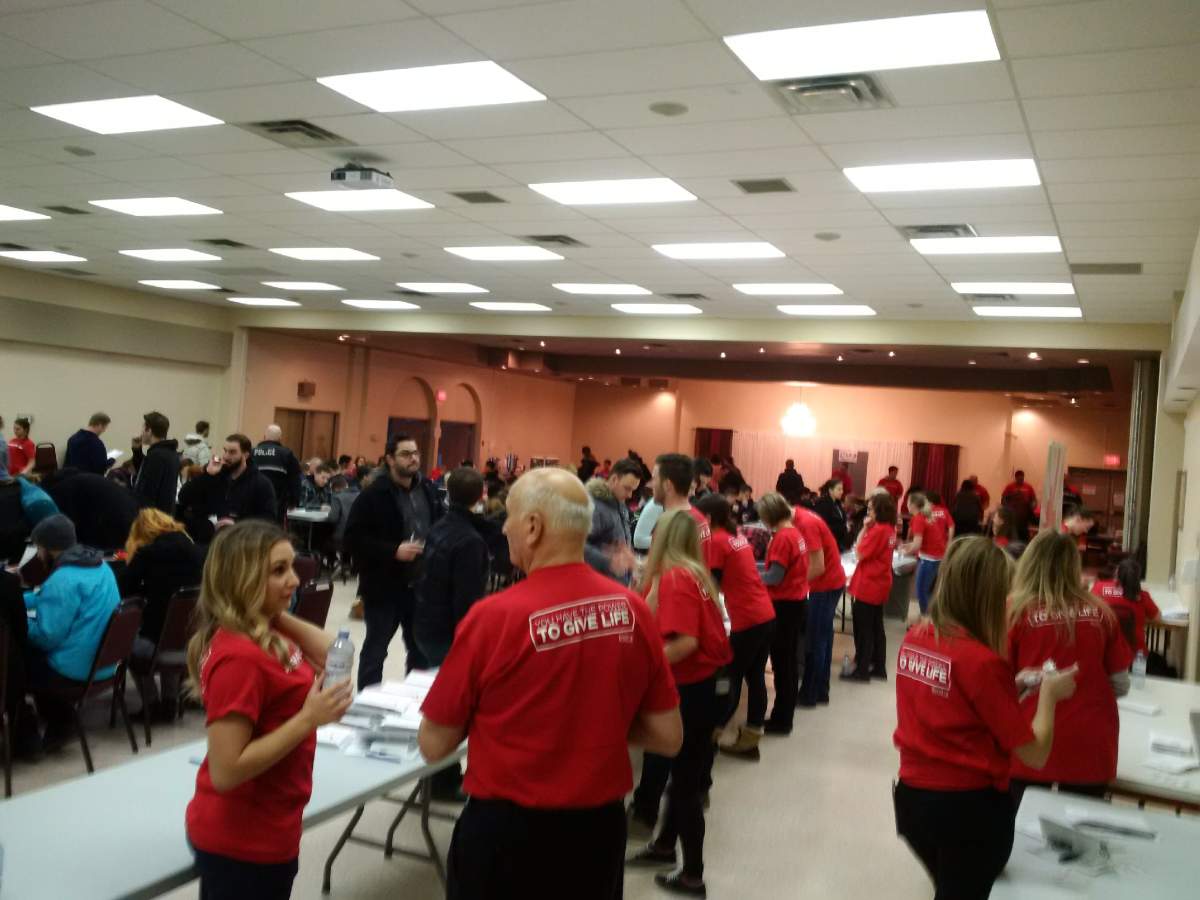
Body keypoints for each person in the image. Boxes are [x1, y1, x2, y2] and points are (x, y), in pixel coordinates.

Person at [418, 468, 683, 900]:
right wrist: (589, 727)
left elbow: (434, 744)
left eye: (509, 518)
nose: (502, 528)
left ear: (534, 526)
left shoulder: (493, 618)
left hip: (507, 834)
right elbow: (667, 736)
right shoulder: (632, 609)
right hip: (597, 832)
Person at [893, 537, 1079, 900]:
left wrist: (1012, 685)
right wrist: (1049, 697)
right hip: (967, 811)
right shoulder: (982, 662)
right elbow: (1035, 754)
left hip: (914, 802)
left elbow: (953, 703)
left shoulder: (917, 637)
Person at [184, 520, 352, 899]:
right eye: (278, 570)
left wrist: (273, 612)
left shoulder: (267, 631)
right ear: (241, 578)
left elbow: (334, 652)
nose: (294, 579)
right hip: (243, 842)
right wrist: (309, 718)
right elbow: (227, 771)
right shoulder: (241, 657)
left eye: (291, 566)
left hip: (271, 826)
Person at [627, 509, 731, 896]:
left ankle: (693, 875)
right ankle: (664, 846)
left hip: (694, 689)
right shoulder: (695, 574)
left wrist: (645, 669)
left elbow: (685, 642)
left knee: (685, 784)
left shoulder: (677, 579)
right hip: (710, 685)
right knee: (683, 775)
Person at [1007, 530, 1132, 802]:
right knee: (1082, 834)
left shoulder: (1013, 613)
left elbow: (997, 686)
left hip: (1030, 740)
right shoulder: (1101, 612)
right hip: (1091, 742)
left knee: (1021, 834)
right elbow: (1120, 683)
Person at [344, 434, 443, 687]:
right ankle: (366, 702)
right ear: (389, 459)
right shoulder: (373, 495)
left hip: (420, 587)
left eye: (416, 453)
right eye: (405, 454)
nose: (413, 459)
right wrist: (392, 551)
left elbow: (441, 526)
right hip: (383, 587)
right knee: (376, 652)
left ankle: (414, 703)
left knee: (420, 652)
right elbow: (352, 540)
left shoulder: (428, 490)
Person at [23, 514, 122, 748]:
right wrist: (20, 601)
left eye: (38, 548)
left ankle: (51, 724)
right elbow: (46, 596)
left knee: (19, 658)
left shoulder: (63, 579)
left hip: (74, 671)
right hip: (106, 665)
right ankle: (58, 717)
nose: (37, 554)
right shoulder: (100, 567)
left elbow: (47, 637)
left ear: (49, 547)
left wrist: (18, 620)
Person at [696, 495, 775, 761]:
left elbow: (711, 586)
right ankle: (752, 737)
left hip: (748, 617)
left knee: (729, 678)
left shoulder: (717, 541)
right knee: (754, 678)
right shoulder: (735, 535)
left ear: (707, 518)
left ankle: (712, 736)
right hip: (763, 612)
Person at [120, 508, 203, 721]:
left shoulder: (146, 554)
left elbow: (125, 592)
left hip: (154, 642)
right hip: (192, 643)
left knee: (125, 645)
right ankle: (170, 701)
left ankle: (151, 703)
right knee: (172, 632)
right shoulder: (196, 552)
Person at [414, 467, 491, 667]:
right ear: (481, 495)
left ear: (448, 491)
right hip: (446, 633)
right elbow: (467, 599)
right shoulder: (470, 541)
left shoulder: (438, 526)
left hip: (425, 621)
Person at [756, 492, 810, 736]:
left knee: (782, 664)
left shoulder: (781, 539)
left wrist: (750, 576)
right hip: (797, 601)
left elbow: (774, 577)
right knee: (787, 663)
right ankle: (784, 714)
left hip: (784, 605)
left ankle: (781, 719)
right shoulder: (795, 533)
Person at [842, 493, 898, 682]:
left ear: (880, 510)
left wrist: (864, 529)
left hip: (868, 583)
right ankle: (878, 666)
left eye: (871, 508)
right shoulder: (890, 529)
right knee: (876, 626)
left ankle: (862, 669)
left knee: (863, 628)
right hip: (880, 581)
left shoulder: (877, 530)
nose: (868, 511)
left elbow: (858, 552)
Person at [795, 500, 846, 707]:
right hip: (830, 584)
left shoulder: (806, 525)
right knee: (823, 637)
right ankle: (821, 690)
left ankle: (809, 693)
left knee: (816, 641)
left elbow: (818, 566)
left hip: (825, 586)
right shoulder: (804, 517)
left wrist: (795, 584)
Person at [178, 435, 278, 534]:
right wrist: (207, 474)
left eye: (232, 452)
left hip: (241, 540)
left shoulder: (261, 483)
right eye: (225, 451)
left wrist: (236, 524)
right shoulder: (214, 475)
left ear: (246, 455)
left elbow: (268, 520)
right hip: (207, 540)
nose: (225, 456)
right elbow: (183, 497)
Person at [42, 467, 140, 552]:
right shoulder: (85, 480)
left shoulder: (59, 491)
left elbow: (66, 527)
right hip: (135, 519)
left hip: (118, 528)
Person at [584, 457, 640, 583]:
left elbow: (621, 546)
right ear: (614, 479)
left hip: (617, 584)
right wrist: (608, 561)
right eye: (627, 488)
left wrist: (631, 569)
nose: (630, 495)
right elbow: (576, 546)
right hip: (599, 586)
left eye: (633, 490)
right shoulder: (594, 507)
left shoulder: (620, 505)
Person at [1092, 558, 1161, 655]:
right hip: (1135, 653)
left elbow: (1089, 610)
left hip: (1105, 651)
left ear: (1117, 574)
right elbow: (1157, 618)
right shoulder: (1142, 596)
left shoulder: (1099, 588)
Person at [902, 492, 952, 618]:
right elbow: (921, 541)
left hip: (930, 559)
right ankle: (929, 616)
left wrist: (904, 552)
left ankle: (926, 618)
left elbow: (917, 545)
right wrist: (907, 546)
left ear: (912, 504)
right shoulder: (923, 516)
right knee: (927, 590)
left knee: (921, 591)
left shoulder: (918, 518)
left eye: (907, 501)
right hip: (935, 556)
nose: (906, 504)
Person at [132, 411, 180, 514]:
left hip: (153, 518)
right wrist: (137, 450)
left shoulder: (156, 456)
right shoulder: (170, 453)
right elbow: (143, 471)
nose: (141, 433)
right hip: (164, 514)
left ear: (149, 431)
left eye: (143, 429)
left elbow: (147, 491)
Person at [252, 425, 302, 520]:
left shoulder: (252, 452)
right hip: (277, 504)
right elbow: (295, 480)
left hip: (252, 502)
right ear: (280, 439)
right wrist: (294, 500)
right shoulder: (287, 454)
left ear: (264, 437)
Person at [814, 478, 849, 551]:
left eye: (842, 489)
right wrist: (842, 528)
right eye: (839, 489)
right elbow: (822, 525)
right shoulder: (823, 504)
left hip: (838, 542)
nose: (841, 492)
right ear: (830, 490)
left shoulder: (837, 503)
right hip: (828, 543)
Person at [1001, 470, 1037, 537]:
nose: (1021, 480)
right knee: (1013, 533)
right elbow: (1003, 499)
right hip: (1013, 515)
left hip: (1025, 515)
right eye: (1019, 479)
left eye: (1022, 478)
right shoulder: (1010, 487)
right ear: (1016, 478)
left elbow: (1034, 499)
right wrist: (1007, 509)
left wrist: (1033, 505)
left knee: (1024, 534)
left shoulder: (1028, 487)